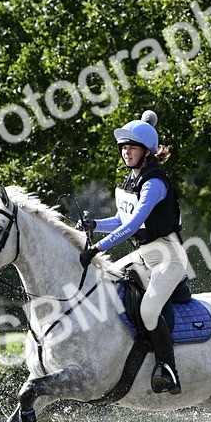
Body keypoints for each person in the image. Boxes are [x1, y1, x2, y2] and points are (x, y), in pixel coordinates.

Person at [79, 110, 190, 395]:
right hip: (143, 255)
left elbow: (133, 225)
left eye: (132, 147)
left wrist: (98, 247)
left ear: (147, 153)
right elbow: (119, 219)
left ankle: (168, 370)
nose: (126, 152)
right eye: (123, 147)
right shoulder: (131, 180)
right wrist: (95, 225)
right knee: (105, 284)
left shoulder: (154, 183)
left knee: (149, 310)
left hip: (168, 257)